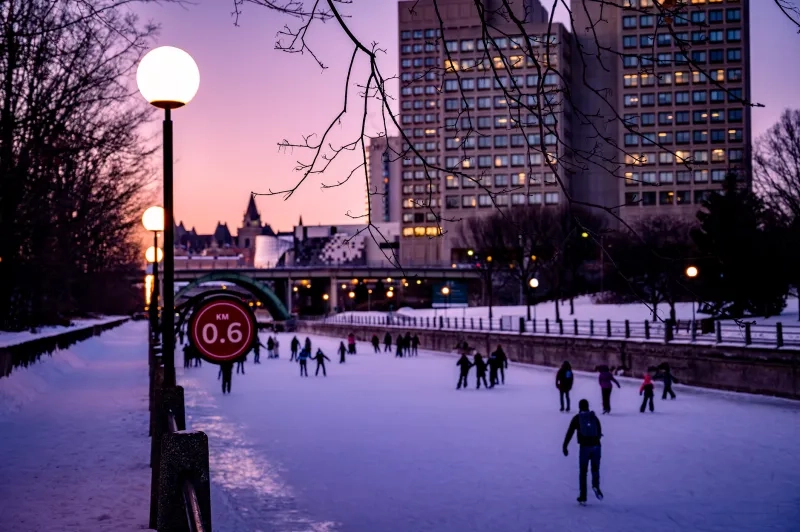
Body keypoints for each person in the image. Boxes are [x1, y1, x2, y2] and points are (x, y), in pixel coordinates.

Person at [562, 399, 604, 505]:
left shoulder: (577, 418)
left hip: (585, 447)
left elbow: (570, 433)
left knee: (583, 472)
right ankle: (595, 485)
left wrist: (565, 446)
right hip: (596, 446)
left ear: (579, 407)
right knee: (595, 469)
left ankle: (583, 497)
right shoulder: (594, 417)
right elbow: (599, 432)